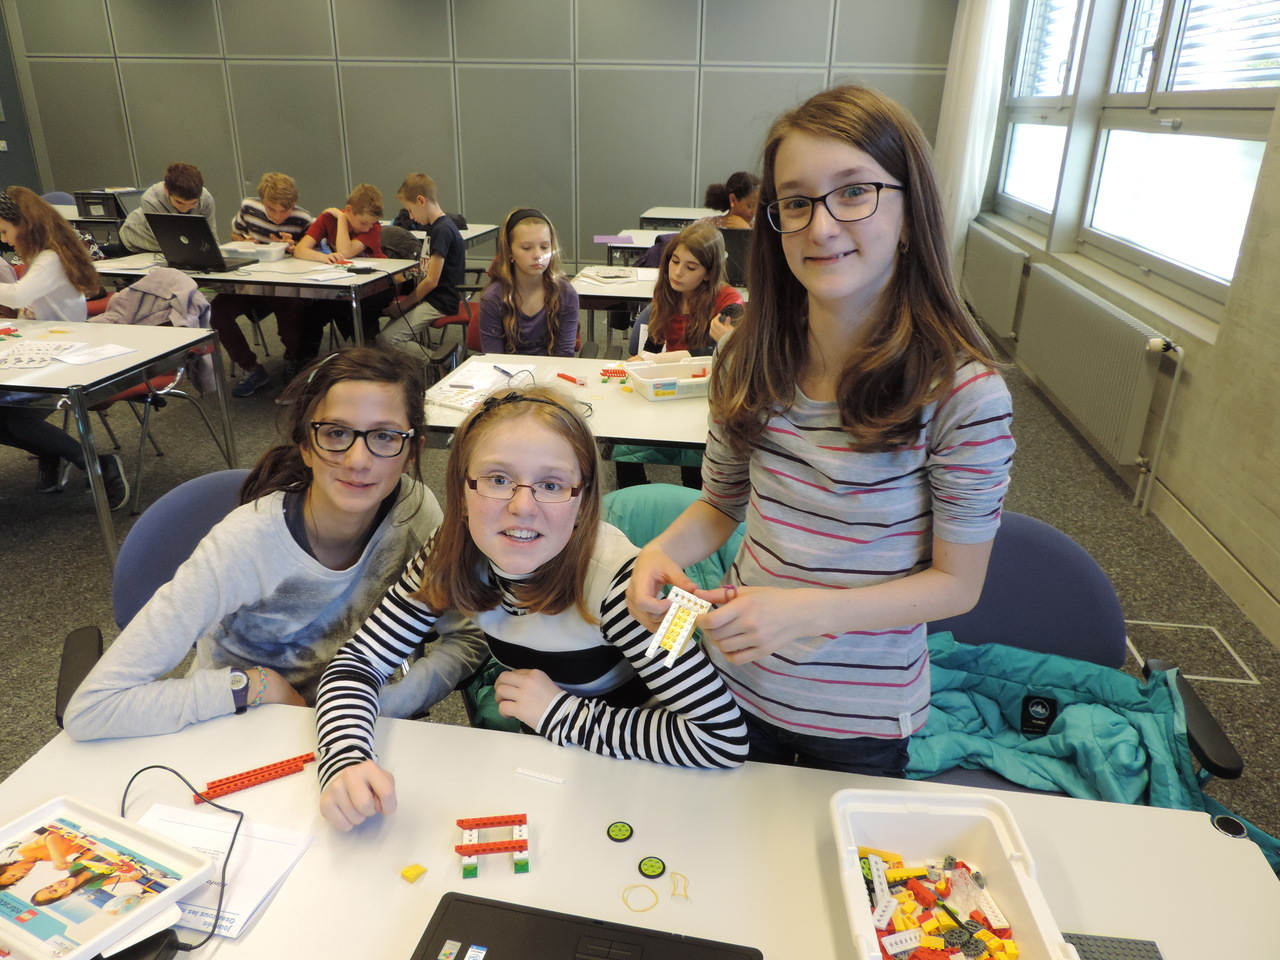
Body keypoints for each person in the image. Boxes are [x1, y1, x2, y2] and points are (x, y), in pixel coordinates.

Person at [626, 85, 1017, 777]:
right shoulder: (746, 358)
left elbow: (957, 585)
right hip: (733, 687)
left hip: (858, 715)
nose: (822, 226)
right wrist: (658, 552)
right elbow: (720, 503)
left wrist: (801, 614)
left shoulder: (964, 395)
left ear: (910, 213)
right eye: (797, 202)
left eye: (855, 192)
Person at [314, 384, 748, 831]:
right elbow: (359, 662)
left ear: (583, 501)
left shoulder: (622, 587)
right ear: (462, 492)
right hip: (548, 749)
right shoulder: (453, 550)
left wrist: (560, 714)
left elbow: (719, 739)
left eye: (551, 484)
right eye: (498, 479)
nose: (522, 506)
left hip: (638, 768)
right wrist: (344, 758)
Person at [62, 347, 487, 741]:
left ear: (412, 452)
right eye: (336, 433)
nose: (358, 460)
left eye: (385, 437)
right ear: (306, 446)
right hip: (240, 727)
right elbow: (91, 708)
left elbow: (467, 639)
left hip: (352, 734)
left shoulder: (414, 511)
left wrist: (384, 704)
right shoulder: (246, 543)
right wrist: (257, 686)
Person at [0, 187, 129, 508]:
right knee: (7, 418)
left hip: (63, 357)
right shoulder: (42, 256)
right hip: (42, 346)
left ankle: (97, 464)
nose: (5, 240)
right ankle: (54, 451)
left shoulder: (49, 259)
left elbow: (17, 296)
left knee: (19, 421)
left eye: (4, 231)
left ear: (24, 224)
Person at [615, 221, 743, 488]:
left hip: (708, 391)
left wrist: (653, 359)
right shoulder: (669, 292)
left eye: (691, 267)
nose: (677, 272)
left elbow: (715, 354)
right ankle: (637, 494)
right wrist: (644, 360)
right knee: (623, 441)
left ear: (708, 273)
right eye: (674, 261)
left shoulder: (727, 301)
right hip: (672, 385)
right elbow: (654, 342)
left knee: (695, 459)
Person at [213, 172, 315, 397]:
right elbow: (235, 235)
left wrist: (295, 248)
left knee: (294, 318)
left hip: (284, 288)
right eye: (271, 209)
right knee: (216, 311)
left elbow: (315, 252)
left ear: (294, 205)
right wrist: (245, 241)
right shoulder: (249, 208)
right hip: (250, 286)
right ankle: (251, 368)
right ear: (262, 202)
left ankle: (293, 359)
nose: (278, 216)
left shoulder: (303, 219)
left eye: (285, 210)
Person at [377, 173, 465, 357]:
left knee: (388, 340)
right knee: (383, 338)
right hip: (431, 299)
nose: (410, 217)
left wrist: (403, 305)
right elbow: (433, 269)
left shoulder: (442, 230)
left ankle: (441, 363)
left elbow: (432, 281)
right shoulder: (435, 227)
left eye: (410, 210)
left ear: (421, 200)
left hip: (439, 302)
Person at [292, 183, 390, 349]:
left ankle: (367, 352)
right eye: (363, 222)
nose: (367, 228)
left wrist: (342, 218)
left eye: (371, 224)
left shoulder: (373, 227)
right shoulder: (328, 219)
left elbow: (345, 252)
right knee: (312, 312)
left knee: (354, 309)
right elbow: (299, 249)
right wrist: (323, 257)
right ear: (349, 209)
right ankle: (304, 361)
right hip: (344, 283)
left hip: (376, 285)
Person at [479, 207, 578, 356]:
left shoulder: (566, 293)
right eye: (526, 248)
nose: (538, 255)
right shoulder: (493, 297)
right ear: (510, 251)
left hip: (553, 369)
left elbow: (564, 355)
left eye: (545, 247)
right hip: (507, 370)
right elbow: (494, 358)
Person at [119, 162, 217, 254]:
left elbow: (212, 240)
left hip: (176, 244)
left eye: (193, 203)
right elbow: (167, 242)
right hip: (136, 239)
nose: (185, 209)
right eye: (179, 202)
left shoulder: (206, 199)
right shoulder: (151, 200)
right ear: (166, 189)